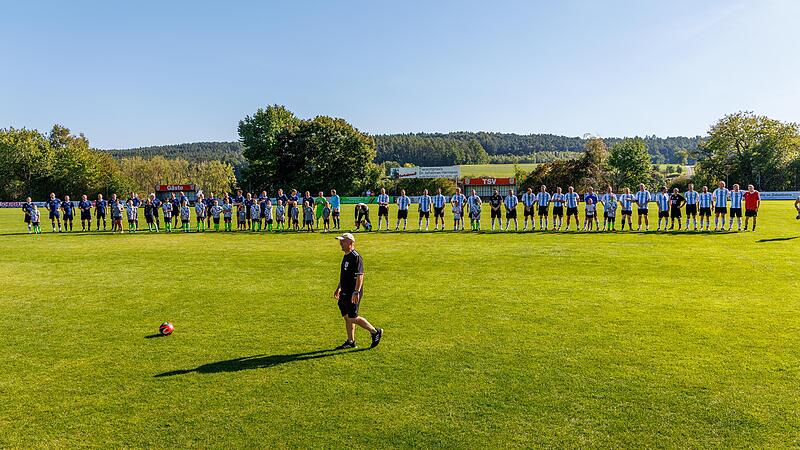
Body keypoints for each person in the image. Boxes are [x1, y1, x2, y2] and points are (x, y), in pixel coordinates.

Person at [332, 232, 382, 350]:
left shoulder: (356, 257)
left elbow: (360, 275)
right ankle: (351, 341)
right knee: (346, 316)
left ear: (350, 242)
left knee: (353, 317)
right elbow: (344, 275)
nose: (340, 243)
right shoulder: (346, 255)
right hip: (344, 291)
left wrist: (356, 291)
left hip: (352, 292)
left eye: (343, 241)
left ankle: (375, 332)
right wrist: (339, 287)